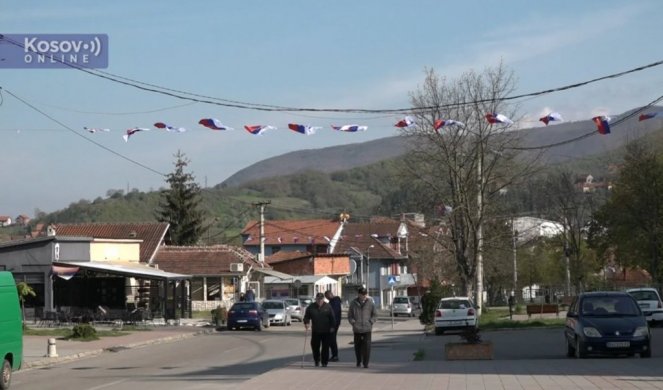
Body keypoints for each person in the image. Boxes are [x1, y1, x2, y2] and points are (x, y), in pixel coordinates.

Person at [303, 292, 336, 367]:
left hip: (326, 331)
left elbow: (332, 318)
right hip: (316, 331)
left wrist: (332, 327)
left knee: (325, 348)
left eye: (321, 299)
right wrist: (306, 322)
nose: (319, 301)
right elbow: (306, 316)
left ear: (323, 299)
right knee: (315, 346)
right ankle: (317, 360)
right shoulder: (311, 307)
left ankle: (324, 362)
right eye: (318, 299)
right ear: (316, 299)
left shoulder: (328, 307)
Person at [347, 287, 377, 368]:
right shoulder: (353, 303)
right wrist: (353, 322)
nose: (364, 296)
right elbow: (350, 315)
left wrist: (371, 322)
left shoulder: (370, 303)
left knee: (367, 346)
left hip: (367, 328)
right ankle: (358, 361)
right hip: (357, 329)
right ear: (359, 294)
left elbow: (375, 315)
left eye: (365, 294)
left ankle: (366, 363)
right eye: (362, 294)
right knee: (358, 346)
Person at [324, 290, 342, 361]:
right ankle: (334, 355)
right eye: (326, 297)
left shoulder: (335, 302)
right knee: (331, 339)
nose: (327, 298)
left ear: (330, 294)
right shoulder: (333, 302)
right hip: (334, 323)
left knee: (332, 339)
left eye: (327, 296)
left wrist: (332, 325)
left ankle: (335, 356)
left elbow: (333, 314)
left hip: (334, 323)